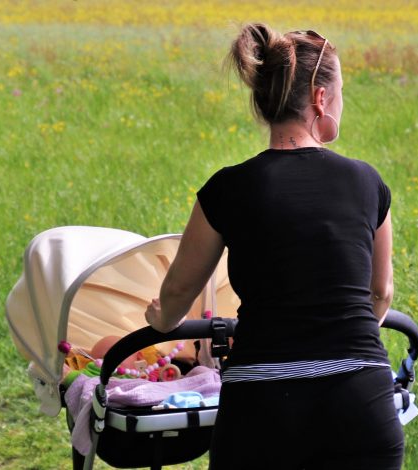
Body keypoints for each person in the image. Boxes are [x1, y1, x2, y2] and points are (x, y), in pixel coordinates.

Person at [145, 23, 403, 469]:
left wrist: (160, 319)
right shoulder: (367, 182)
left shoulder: (226, 189)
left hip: (262, 408)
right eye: (341, 91)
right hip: (361, 403)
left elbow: (176, 296)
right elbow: (380, 294)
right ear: (321, 99)